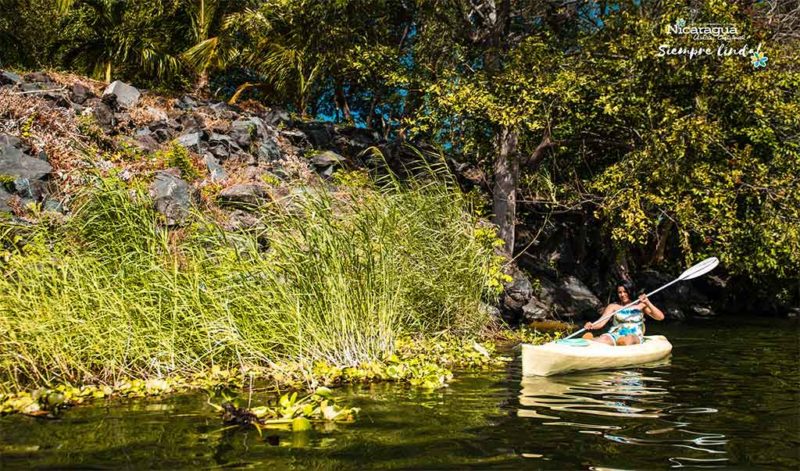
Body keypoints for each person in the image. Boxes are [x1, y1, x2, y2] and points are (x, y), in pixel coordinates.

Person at [582, 280, 665, 346]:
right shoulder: (613, 306)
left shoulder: (641, 305)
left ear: (630, 291)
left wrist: (648, 302)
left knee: (628, 339)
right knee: (604, 339)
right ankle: (591, 340)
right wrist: (591, 325)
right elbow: (601, 323)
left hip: (634, 335)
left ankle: (622, 343)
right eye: (620, 292)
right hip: (616, 333)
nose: (622, 295)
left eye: (625, 291)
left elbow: (660, 317)